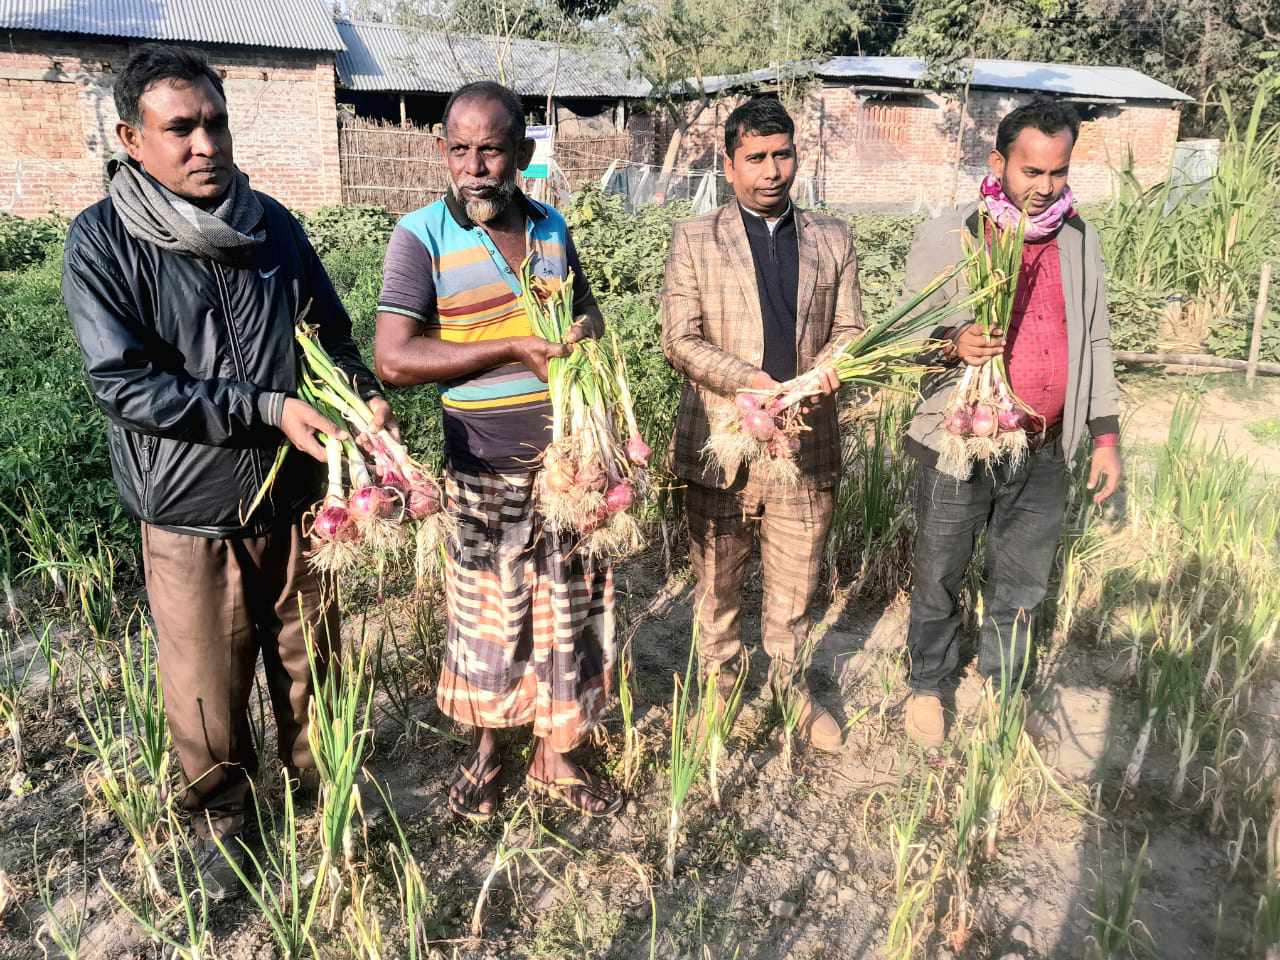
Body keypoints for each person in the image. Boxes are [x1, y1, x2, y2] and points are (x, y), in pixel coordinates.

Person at [60, 45, 395, 895]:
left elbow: (330, 334)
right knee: (206, 688)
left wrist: (359, 399)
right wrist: (264, 408)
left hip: (297, 500)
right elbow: (124, 383)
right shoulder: (103, 240)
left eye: (216, 122)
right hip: (190, 509)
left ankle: (329, 797)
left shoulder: (273, 224)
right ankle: (222, 829)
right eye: (181, 128)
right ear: (134, 139)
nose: (205, 143)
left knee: (314, 663)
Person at [374, 81, 619, 820]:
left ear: (522, 151)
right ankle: (486, 750)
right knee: (490, 614)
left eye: (491, 149)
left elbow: (589, 313)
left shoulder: (551, 225)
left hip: (570, 463)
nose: (475, 165)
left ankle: (557, 753)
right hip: (481, 461)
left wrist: (581, 341)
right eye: (460, 149)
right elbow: (394, 358)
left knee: (567, 609)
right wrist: (509, 342)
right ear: (442, 150)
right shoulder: (421, 235)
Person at [900, 98, 1123, 749]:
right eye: (1031, 172)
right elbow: (907, 333)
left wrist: (1104, 438)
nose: (1044, 187)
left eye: (1057, 172)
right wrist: (952, 342)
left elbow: (1097, 340)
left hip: (1045, 448)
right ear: (999, 163)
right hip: (960, 440)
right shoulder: (952, 231)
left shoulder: (1078, 236)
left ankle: (1002, 687)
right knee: (939, 570)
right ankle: (927, 685)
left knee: (1023, 581)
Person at [660, 98, 864, 755]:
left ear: (796, 156)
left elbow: (852, 331)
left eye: (783, 155)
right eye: (756, 159)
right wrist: (750, 382)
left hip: (805, 443)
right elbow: (680, 340)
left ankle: (790, 686)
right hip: (723, 441)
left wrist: (827, 369)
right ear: (729, 164)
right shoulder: (695, 239)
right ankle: (720, 690)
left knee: (796, 589)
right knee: (716, 588)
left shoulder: (833, 236)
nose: (771, 171)